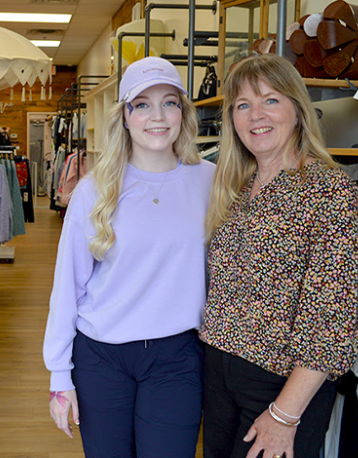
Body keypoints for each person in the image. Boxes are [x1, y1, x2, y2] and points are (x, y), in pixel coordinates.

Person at [43, 56, 215, 458]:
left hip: (177, 358)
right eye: (142, 104)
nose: (157, 116)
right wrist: (59, 375)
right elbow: (67, 286)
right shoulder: (94, 189)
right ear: (125, 116)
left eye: (169, 102)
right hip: (101, 357)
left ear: (183, 113)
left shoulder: (210, 179)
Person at [201, 53, 358, 458]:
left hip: (279, 389)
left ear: (297, 109)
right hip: (218, 376)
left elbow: (331, 324)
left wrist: (283, 416)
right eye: (243, 105)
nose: (256, 114)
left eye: (270, 100)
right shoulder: (237, 189)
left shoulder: (330, 192)